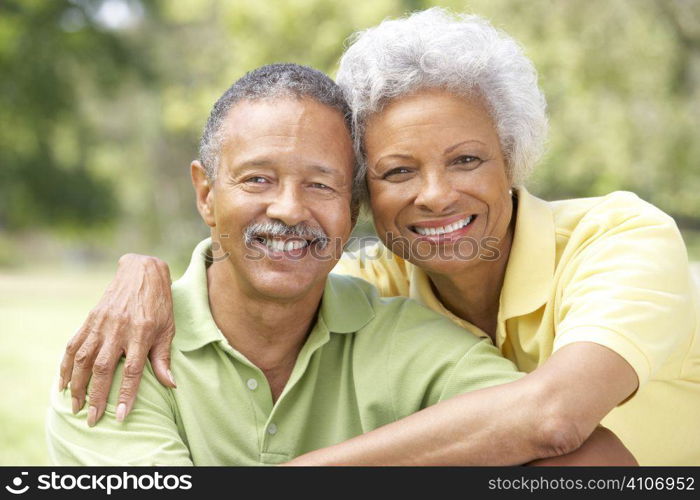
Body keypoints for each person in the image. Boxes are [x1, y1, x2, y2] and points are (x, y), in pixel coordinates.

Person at [59, 9, 699, 465]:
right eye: (398, 170)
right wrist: (141, 270)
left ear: (514, 160)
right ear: (366, 194)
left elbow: (554, 420)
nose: (436, 194)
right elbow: (269, 270)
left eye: (467, 160)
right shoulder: (373, 291)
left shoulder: (619, 237)